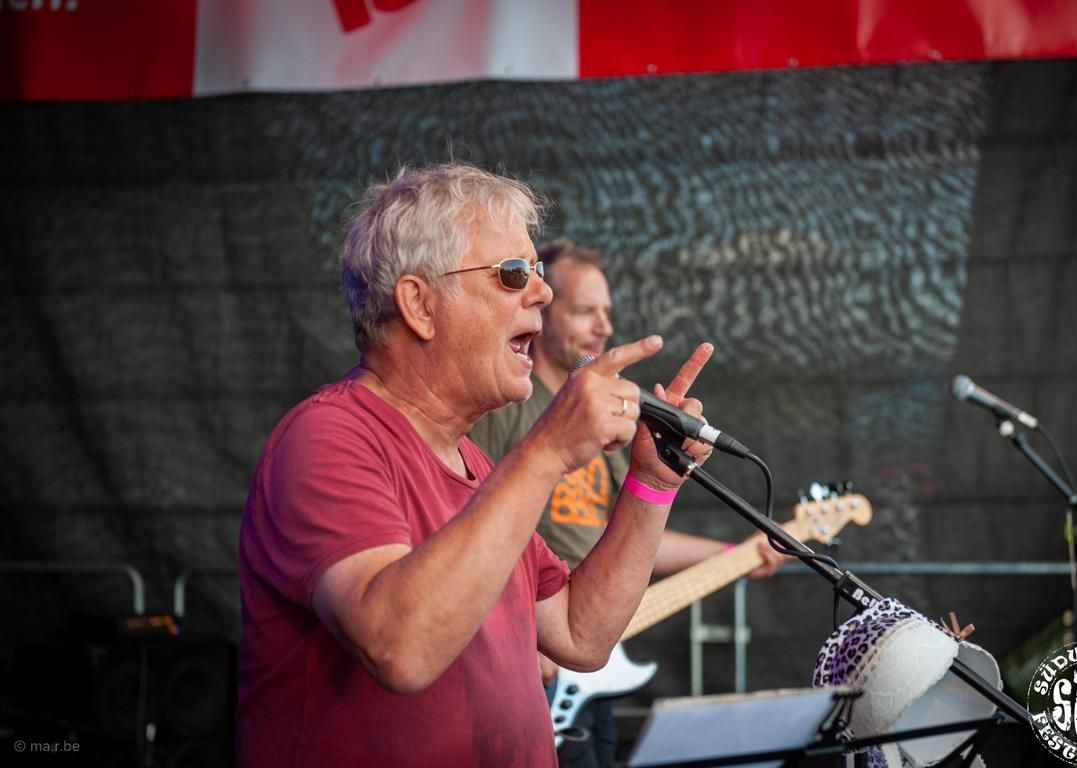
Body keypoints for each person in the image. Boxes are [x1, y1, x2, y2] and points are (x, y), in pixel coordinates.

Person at [236, 163, 722, 768]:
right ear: (419, 304)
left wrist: (650, 484)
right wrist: (546, 450)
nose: (541, 293)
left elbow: (580, 633)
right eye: (514, 273)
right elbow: (400, 648)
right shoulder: (328, 436)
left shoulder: (478, 466)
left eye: (537, 272)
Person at [471, 239, 786, 768]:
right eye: (584, 311)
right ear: (542, 313)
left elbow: (630, 534)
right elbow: (465, 520)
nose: (603, 327)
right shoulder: (505, 410)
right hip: (531, 649)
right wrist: (516, 628)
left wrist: (735, 553)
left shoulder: (608, 421)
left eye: (607, 311)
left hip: (587, 646)